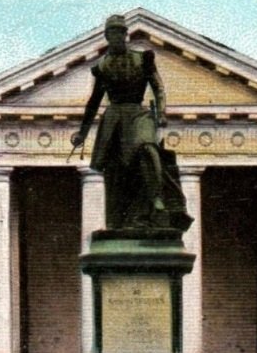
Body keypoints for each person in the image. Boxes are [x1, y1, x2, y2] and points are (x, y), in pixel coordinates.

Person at [71, 14, 189, 231]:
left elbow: (158, 87)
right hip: (114, 117)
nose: (117, 37)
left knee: (147, 147)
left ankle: (156, 199)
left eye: (120, 32)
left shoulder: (143, 59)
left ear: (126, 35)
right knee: (115, 171)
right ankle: (117, 221)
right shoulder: (102, 66)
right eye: (112, 33)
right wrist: (82, 133)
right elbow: (93, 102)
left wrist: (161, 113)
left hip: (138, 113)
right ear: (107, 37)